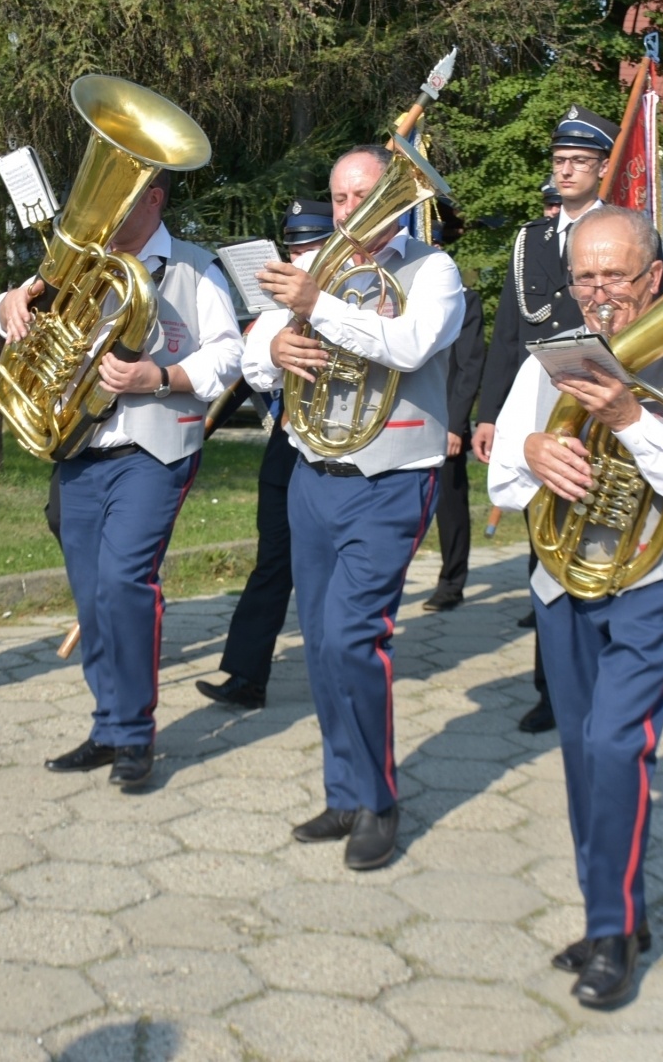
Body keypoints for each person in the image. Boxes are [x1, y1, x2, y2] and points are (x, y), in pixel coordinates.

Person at [489, 205, 663, 1008]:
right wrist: (530, 450)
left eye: (615, 278)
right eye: (585, 279)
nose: (599, 296)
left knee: (613, 746)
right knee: (579, 753)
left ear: (654, 278)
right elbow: (502, 473)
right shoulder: (553, 357)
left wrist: (630, 421)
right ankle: (620, 914)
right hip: (565, 579)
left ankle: (609, 936)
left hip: (656, 575)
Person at [246, 143, 465, 871]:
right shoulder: (319, 267)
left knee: (351, 638)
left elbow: (408, 346)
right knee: (318, 640)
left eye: (363, 196)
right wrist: (276, 344)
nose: (348, 212)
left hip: (395, 475)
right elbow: (251, 350)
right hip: (315, 472)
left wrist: (318, 308)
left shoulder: (434, 270)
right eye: (339, 199)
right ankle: (343, 790)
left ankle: (379, 799)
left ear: (398, 198)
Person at [0, 171, 244, 786]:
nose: (101, 211)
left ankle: (135, 735)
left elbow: (229, 354)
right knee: (91, 593)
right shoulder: (80, 265)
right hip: (80, 448)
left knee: (123, 583)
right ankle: (108, 724)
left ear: (154, 200)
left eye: (120, 197)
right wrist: (10, 305)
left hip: (154, 450)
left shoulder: (195, 267)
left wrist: (157, 379)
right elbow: (24, 321)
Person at [471, 105, 618, 732]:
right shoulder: (532, 237)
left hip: (602, 398)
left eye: (578, 162)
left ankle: (607, 666)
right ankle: (552, 686)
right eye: (558, 161)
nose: (564, 170)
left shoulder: (620, 231)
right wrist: (488, 414)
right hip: (535, 402)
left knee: (598, 528)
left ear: (602, 169)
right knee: (545, 538)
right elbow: (508, 329)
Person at [196, 200, 334, 710]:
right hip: (287, 444)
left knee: (330, 571)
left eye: (310, 245)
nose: (301, 255)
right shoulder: (281, 300)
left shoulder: (349, 292)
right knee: (272, 562)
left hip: (342, 448)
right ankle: (246, 675)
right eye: (294, 246)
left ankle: (338, 668)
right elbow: (254, 371)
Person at [425, 202, 487, 612]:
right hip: (403, 420)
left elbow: (468, 368)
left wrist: (455, 424)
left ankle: (452, 582)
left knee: (450, 505)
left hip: (444, 419)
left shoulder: (464, 300)